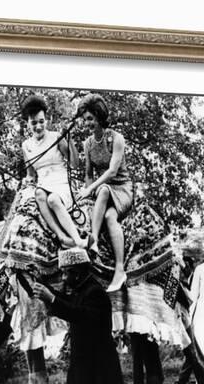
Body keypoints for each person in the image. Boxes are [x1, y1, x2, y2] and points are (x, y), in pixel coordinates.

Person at [33, 247, 126, 384]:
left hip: (98, 369)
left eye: (66, 273)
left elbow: (79, 314)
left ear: (77, 272)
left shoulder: (95, 294)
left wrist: (52, 298)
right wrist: (45, 290)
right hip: (88, 368)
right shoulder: (84, 289)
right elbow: (70, 305)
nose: (64, 277)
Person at [77, 93, 134, 292]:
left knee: (104, 196)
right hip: (103, 192)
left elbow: (112, 172)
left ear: (100, 117)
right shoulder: (88, 144)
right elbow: (88, 174)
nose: (87, 124)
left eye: (90, 119)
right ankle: (117, 269)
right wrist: (88, 192)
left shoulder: (116, 139)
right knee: (109, 216)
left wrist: (91, 189)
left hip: (121, 189)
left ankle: (94, 241)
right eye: (85, 120)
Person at [21, 94, 87, 250]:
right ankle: (62, 237)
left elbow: (75, 164)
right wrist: (26, 183)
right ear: (27, 124)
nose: (38, 126)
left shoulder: (56, 137)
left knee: (53, 200)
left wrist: (69, 141)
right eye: (34, 123)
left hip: (62, 182)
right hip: (43, 184)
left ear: (47, 120)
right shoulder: (26, 146)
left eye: (41, 122)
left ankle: (78, 240)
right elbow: (30, 174)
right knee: (39, 194)